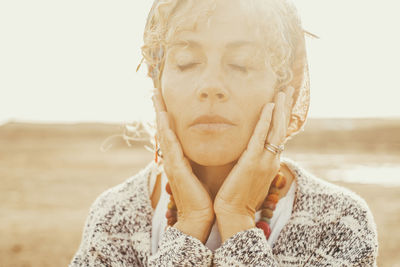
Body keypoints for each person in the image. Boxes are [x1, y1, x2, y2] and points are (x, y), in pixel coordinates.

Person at [69, 0, 379, 266]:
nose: (211, 86)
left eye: (241, 64)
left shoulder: (339, 221)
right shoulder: (114, 217)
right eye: (187, 62)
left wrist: (237, 217)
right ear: (157, 81)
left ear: (285, 89)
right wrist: (189, 223)